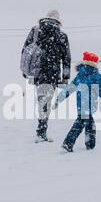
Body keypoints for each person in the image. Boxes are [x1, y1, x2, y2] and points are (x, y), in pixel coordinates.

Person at [53, 52, 101, 152]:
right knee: (82, 125)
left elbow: (69, 89)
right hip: (89, 106)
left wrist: (59, 99)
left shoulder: (80, 76)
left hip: (81, 106)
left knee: (88, 124)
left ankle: (89, 145)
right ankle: (69, 143)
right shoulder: (96, 76)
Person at [22, 10, 71, 142]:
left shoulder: (36, 31)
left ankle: (41, 130)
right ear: (58, 21)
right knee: (46, 101)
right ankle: (42, 130)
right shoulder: (61, 35)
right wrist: (65, 77)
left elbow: (26, 50)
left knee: (41, 100)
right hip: (52, 73)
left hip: (37, 72)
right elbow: (66, 58)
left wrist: (25, 70)